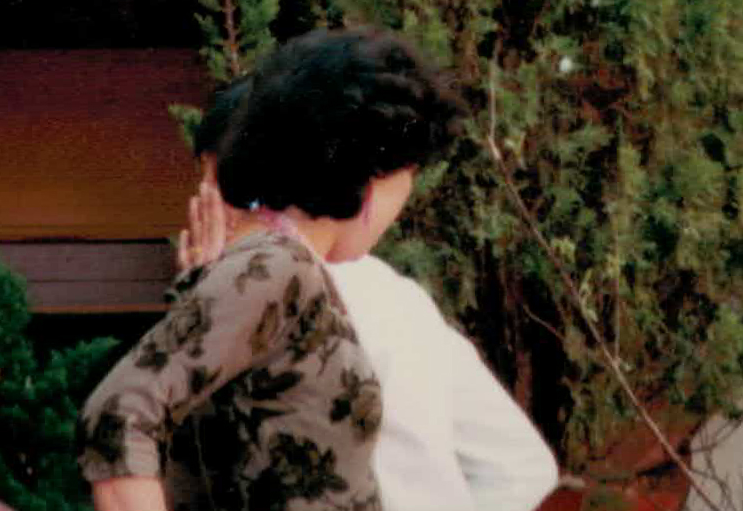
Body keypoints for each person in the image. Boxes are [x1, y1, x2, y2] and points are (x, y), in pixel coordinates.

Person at [80, 25, 462, 511]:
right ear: (371, 174)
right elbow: (116, 417)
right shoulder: (279, 268)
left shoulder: (273, 267)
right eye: (409, 174)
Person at [179, 74, 558, 511]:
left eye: (231, 193)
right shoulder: (392, 293)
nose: (208, 211)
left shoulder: (262, 298)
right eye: (203, 185)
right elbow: (520, 466)